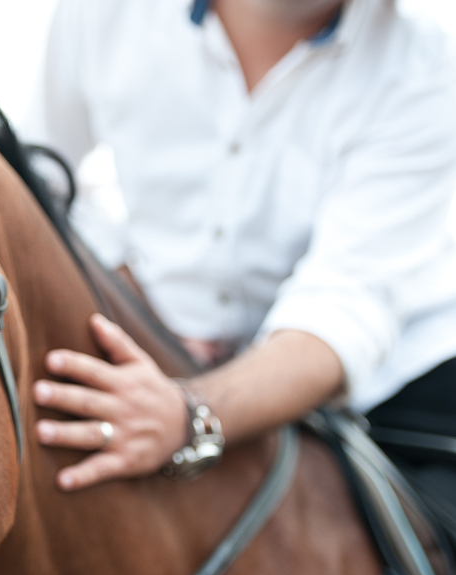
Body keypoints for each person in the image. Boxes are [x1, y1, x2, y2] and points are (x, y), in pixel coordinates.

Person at [22, 0, 456, 507]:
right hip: (160, 342)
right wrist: (122, 281)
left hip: (395, 393)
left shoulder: (427, 69)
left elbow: (347, 307)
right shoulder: (106, 13)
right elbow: (40, 177)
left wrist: (190, 415)